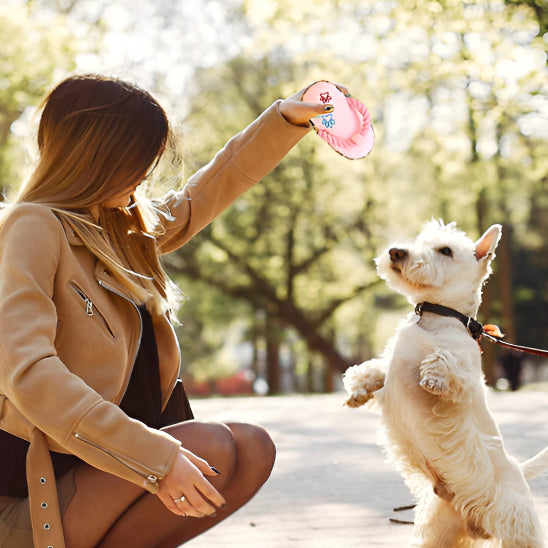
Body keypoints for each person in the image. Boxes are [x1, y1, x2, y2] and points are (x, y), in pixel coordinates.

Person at [0, 74, 335, 547]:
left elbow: (202, 196)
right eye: (138, 157)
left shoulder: (116, 229)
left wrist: (283, 119)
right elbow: (29, 372)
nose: (147, 172)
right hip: (42, 489)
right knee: (213, 446)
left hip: (109, 470)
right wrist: (156, 456)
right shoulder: (32, 226)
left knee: (252, 449)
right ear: (97, 154)